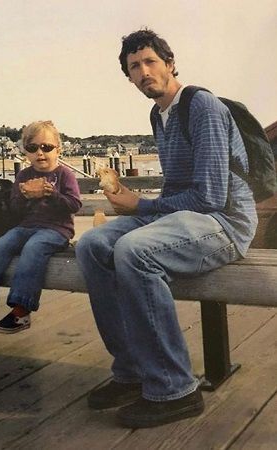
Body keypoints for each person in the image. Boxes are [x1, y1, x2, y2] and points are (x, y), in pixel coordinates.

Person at [75, 28, 257, 429]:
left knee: (134, 250)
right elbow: (176, 190)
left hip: (225, 223)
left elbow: (211, 197)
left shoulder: (202, 106)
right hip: (183, 217)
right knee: (90, 244)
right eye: (134, 67)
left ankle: (176, 388)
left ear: (170, 63)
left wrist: (140, 205)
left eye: (150, 62)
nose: (143, 72)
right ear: (128, 77)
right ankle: (133, 370)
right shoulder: (159, 114)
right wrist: (137, 206)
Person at [0, 120, 82, 333]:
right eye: (33, 148)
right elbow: (14, 209)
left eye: (47, 147)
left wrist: (52, 195)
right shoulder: (23, 176)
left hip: (56, 230)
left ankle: (21, 310)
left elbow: (74, 205)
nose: (40, 153)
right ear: (26, 152)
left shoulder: (64, 175)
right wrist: (23, 195)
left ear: (58, 149)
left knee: (33, 247)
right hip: (26, 226)